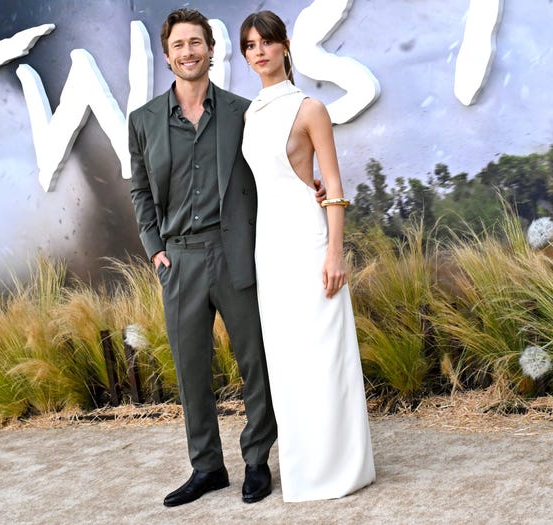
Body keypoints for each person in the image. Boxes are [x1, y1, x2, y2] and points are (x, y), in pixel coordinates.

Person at [128, 8, 278, 507]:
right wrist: (155, 250)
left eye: (196, 42)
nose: (188, 52)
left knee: (254, 361)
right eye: (178, 45)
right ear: (167, 56)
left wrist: (313, 185)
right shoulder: (143, 121)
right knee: (191, 369)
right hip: (180, 260)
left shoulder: (243, 111)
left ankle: (257, 460)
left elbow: (271, 169)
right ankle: (208, 468)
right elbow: (141, 192)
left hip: (235, 252)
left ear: (211, 51)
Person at [239, 11, 376, 502]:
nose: (259, 51)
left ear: (285, 46)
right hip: (269, 245)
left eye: (267, 42)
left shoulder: (310, 107)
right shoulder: (251, 112)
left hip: (309, 238)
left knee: (324, 350)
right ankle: (304, 468)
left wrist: (335, 251)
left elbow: (334, 185)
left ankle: (339, 467)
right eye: (250, 45)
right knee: (287, 357)